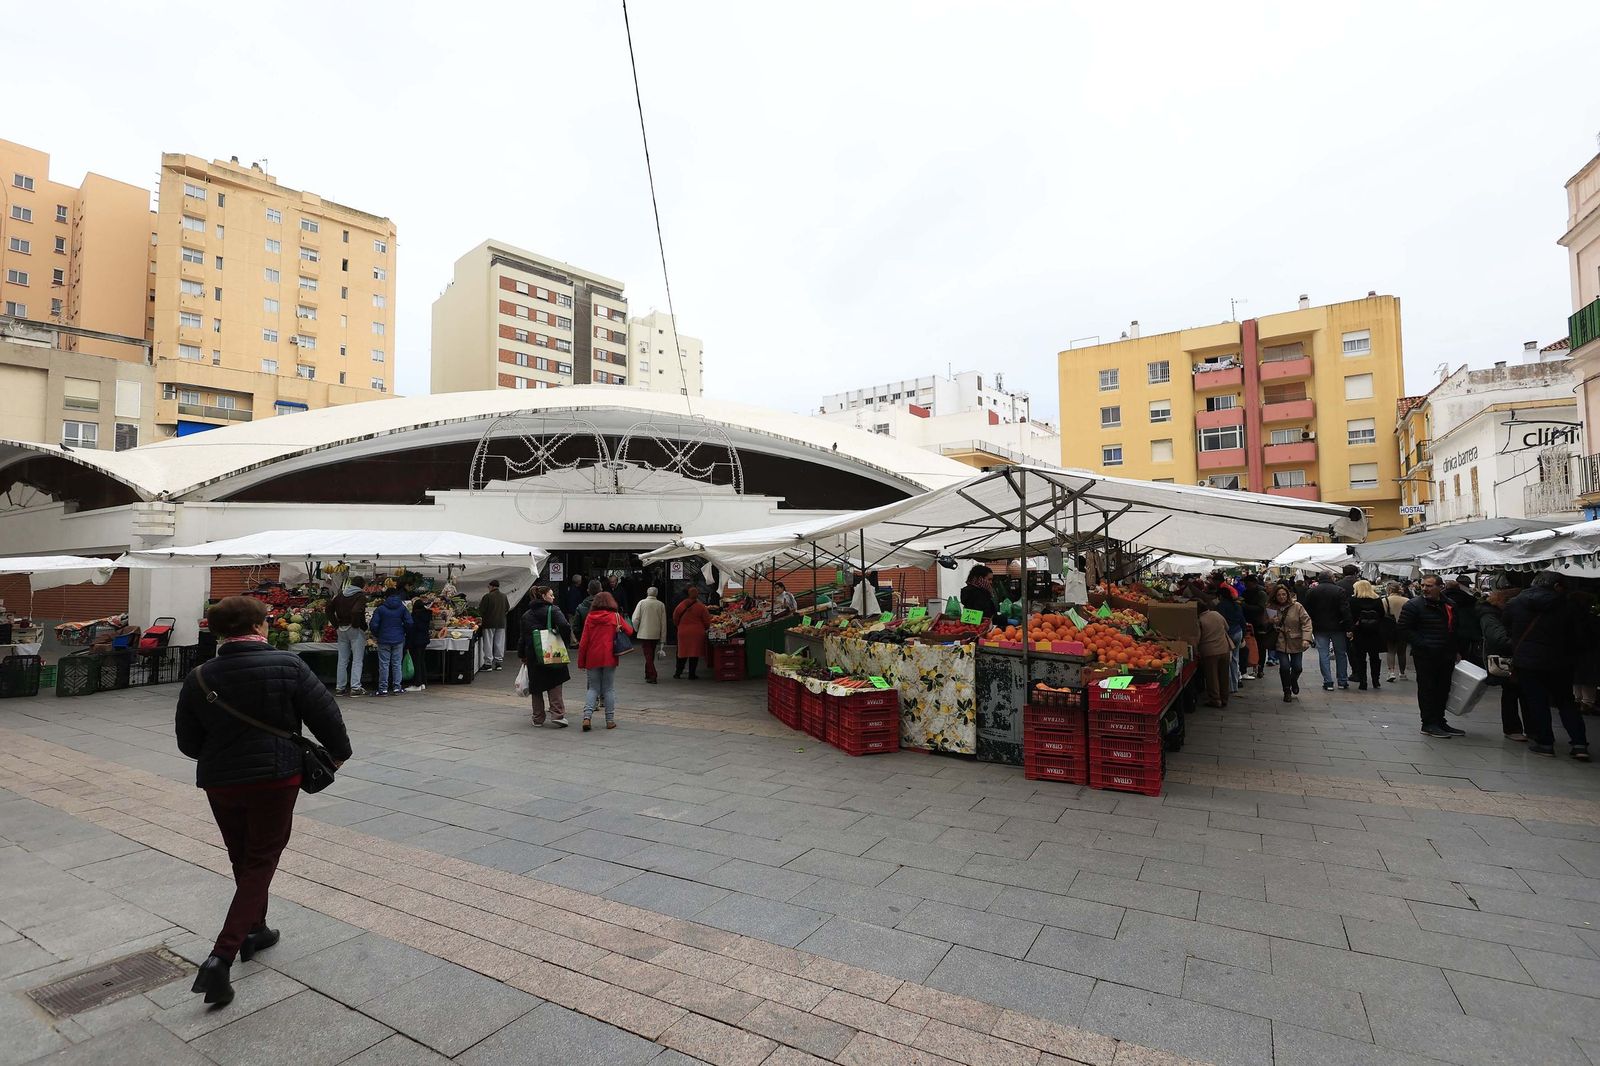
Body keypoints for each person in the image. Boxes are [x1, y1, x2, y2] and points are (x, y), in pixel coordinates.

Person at [174, 595, 352, 1007]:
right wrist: (338, 754)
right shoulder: (288, 666)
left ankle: (257, 928)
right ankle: (222, 955)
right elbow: (326, 715)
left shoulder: (199, 676)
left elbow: (188, 742)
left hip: (221, 780)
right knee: (261, 859)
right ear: (259, 627)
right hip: (275, 777)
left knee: (242, 854)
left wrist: (223, 755)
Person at [1503, 572, 1589, 760]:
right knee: (1566, 702)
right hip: (1560, 662)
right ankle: (1579, 744)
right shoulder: (1567, 605)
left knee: (1537, 702)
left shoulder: (1516, 602)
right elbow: (1579, 636)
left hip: (1527, 661)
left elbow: (1507, 626)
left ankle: (1545, 743)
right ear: (1557, 586)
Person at [1398, 574, 1465, 739]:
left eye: (1429, 586)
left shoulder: (1449, 604)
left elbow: (1454, 629)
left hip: (1446, 654)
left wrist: (1456, 649)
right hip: (1425, 655)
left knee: (1443, 689)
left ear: (1440, 587)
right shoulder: (1413, 605)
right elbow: (1403, 629)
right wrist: (1423, 644)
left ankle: (1440, 721)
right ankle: (1428, 723)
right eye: (1423, 585)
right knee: (1428, 689)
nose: (1425, 589)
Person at [576, 591, 634, 731]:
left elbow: (584, 642)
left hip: (592, 657)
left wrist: (581, 661)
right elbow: (630, 631)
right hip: (609, 657)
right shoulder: (615, 617)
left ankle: (587, 717)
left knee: (593, 688)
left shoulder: (590, 617)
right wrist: (618, 628)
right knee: (608, 689)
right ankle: (609, 720)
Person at [517, 585, 571, 727]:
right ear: (543, 596)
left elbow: (522, 637)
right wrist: (562, 640)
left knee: (536, 686)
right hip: (552, 651)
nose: (553, 597)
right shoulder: (553, 610)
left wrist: (522, 654)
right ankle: (557, 714)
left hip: (533, 655)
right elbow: (565, 626)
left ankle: (538, 717)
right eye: (551, 595)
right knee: (555, 682)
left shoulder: (526, 615)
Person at [1478, 587, 1526, 742]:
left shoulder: (1497, 614)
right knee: (1512, 692)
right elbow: (1498, 639)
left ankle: (1527, 728)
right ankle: (1513, 728)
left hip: (1519, 657)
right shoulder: (1490, 615)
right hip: (1508, 659)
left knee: (1520, 693)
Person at [1303, 574, 1353, 691]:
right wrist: (1348, 627)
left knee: (1323, 654)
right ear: (1332, 578)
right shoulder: (1339, 591)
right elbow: (1345, 610)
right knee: (1341, 654)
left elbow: (1307, 610)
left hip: (1319, 627)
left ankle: (1328, 681)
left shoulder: (1312, 591)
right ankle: (1342, 681)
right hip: (1338, 627)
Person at [1271, 583, 1314, 703]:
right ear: (1275, 596)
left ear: (1288, 595)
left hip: (1296, 640)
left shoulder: (1297, 606)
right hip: (1280, 640)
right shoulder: (1271, 607)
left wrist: (1306, 639)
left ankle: (1293, 680)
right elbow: (1264, 622)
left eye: (1284, 594)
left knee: (1297, 667)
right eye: (1279, 595)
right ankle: (1287, 690)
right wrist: (1270, 621)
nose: (1282, 597)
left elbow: (1306, 622)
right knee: (1284, 667)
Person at [327, 582, 368, 697]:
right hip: (354, 630)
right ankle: (355, 687)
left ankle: (340, 687)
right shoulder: (360, 596)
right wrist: (356, 624)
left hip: (341, 629)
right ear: (362, 586)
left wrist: (336, 624)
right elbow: (355, 611)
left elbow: (328, 609)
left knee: (342, 660)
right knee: (357, 660)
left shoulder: (340, 595)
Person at [368, 588, 411, 697]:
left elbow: (373, 625)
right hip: (399, 639)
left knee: (384, 664)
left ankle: (383, 689)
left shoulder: (380, 609)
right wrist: (403, 632)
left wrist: (378, 634)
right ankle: (397, 687)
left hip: (383, 639)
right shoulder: (402, 608)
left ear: (386, 597)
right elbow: (409, 622)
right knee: (397, 663)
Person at [1348, 580, 1386, 691]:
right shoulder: (1377, 600)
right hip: (1375, 632)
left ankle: (1363, 682)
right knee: (1374, 657)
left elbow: (1350, 616)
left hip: (1359, 632)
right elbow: (1382, 615)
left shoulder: (1353, 601)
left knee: (1360, 658)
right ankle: (1376, 681)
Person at [1196, 599, 1233, 708]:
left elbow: (1197, 638)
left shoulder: (1199, 620)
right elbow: (1227, 627)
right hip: (1224, 648)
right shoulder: (1216, 614)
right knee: (1224, 675)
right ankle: (1224, 698)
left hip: (1209, 651)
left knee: (1212, 676)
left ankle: (1215, 699)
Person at [672, 586, 712, 679]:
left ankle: (678, 672)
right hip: (697, 633)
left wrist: (679, 625)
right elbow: (707, 621)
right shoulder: (701, 606)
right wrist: (706, 628)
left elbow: (675, 617)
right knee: (694, 653)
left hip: (683, 632)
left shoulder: (681, 605)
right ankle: (692, 674)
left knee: (681, 653)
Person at [630, 586, 667, 684]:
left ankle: (653, 674)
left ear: (647, 593)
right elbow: (664, 623)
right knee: (651, 654)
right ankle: (648, 673)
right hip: (655, 634)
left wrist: (637, 629)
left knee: (648, 655)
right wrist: (663, 638)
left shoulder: (642, 603)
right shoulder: (661, 605)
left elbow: (635, 619)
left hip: (644, 633)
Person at [1572, 591, 1600, 717]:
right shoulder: (1592, 619)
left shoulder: (1569, 617)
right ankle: (1587, 703)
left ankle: (1578, 699)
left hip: (1574, 651)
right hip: (1589, 651)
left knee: (1577, 675)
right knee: (1589, 676)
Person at [1445, 576, 1483, 666]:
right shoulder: (1469, 599)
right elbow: (1473, 616)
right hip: (1465, 632)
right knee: (1464, 657)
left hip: (1447, 631)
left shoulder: (1441, 598)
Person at [1215, 586, 1246, 692]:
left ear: (1220, 596)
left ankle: (1229, 687)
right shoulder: (1236, 605)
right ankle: (1235, 684)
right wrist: (1243, 636)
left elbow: (1219, 623)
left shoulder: (1220, 606)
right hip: (1238, 632)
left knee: (1227, 660)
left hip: (1228, 635)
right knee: (1235, 659)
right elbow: (1242, 620)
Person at [478, 580, 510, 671]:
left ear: (491, 586)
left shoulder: (487, 596)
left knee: (488, 643)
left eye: (488, 587)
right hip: (501, 623)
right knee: (499, 643)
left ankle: (488, 664)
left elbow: (481, 610)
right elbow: (507, 608)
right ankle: (498, 663)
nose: (488, 589)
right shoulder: (504, 596)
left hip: (489, 623)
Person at [404, 594, 433, 692]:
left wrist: (407, 644)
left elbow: (411, 630)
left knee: (416, 662)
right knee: (421, 661)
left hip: (415, 641)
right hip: (423, 641)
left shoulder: (415, 616)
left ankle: (417, 683)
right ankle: (423, 682)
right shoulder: (427, 615)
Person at [1383, 581, 1410, 682]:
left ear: (1389, 590)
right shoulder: (1407, 600)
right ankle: (1402, 673)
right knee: (1402, 652)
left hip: (1390, 628)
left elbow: (1383, 614)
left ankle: (1391, 672)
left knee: (1390, 651)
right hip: (1403, 628)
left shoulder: (1385, 600)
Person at [572, 579, 603, 644]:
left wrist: (582, 639)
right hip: (604, 643)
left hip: (588, 642)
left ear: (588, 591)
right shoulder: (609, 606)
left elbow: (576, 627)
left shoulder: (581, 608)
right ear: (601, 590)